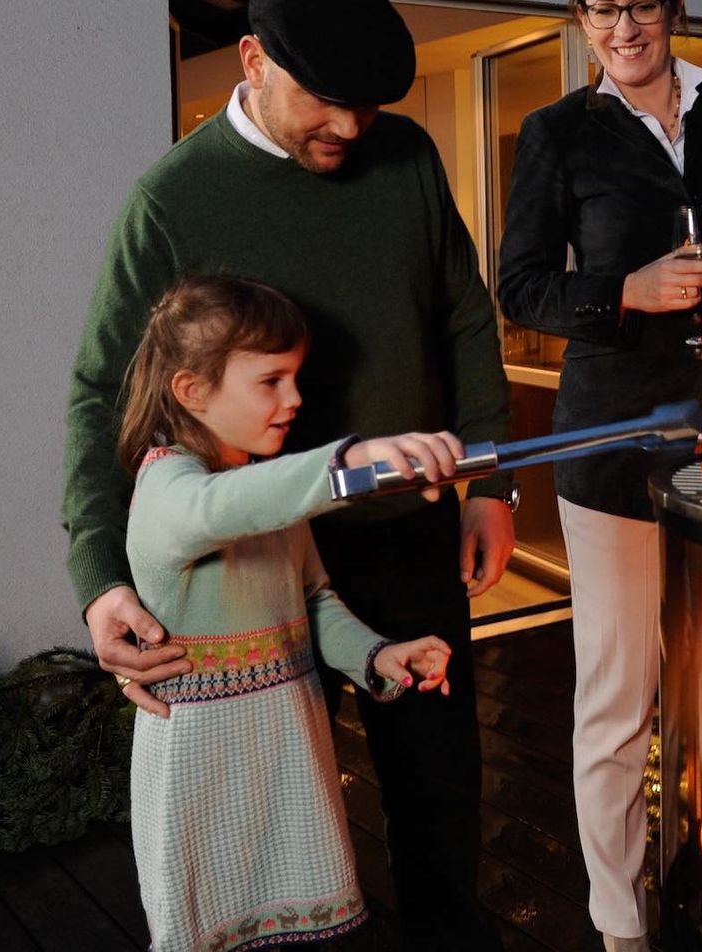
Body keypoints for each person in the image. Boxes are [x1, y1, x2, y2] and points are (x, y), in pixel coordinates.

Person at [60, 0, 511, 949]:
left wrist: (487, 478)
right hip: (252, 571)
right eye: (327, 101)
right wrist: (99, 578)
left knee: (441, 808)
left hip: (406, 538)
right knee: (274, 831)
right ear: (254, 60)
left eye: (366, 106)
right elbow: (102, 392)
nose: (349, 128)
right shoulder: (170, 201)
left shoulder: (406, 158)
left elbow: (463, 314)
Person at [496, 0, 702, 952]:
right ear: (581, 22)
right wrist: (622, 291)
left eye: (641, 3)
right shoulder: (558, 133)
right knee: (620, 693)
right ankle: (621, 922)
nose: (623, 26)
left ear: (675, 5)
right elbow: (520, 284)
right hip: (615, 443)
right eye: (602, 8)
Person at [119, 274, 459, 950]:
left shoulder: (270, 491)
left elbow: (312, 602)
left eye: (296, 378)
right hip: (202, 783)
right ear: (192, 390)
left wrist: (375, 655)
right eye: (270, 381)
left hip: (288, 764)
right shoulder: (168, 489)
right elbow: (220, 508)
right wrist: (351, 462)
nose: (295, 399)